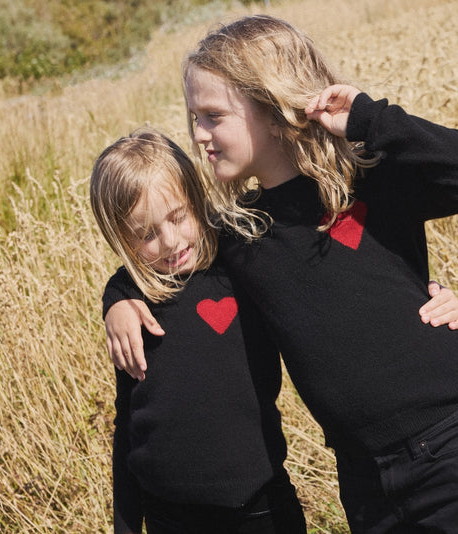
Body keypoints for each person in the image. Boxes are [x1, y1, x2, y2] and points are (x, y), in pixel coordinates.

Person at [105, 15, 458, 533]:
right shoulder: (241, 231)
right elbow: (172, 265)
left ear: (269, 104)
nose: (199, 135)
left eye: (213, 116)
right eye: (194, 117)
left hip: (455, 447)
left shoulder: (363, 180)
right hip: (365, 477)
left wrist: (368, 119)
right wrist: (119, 298)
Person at [89, 127, 308, 534]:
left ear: (196, 199)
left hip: (261, 507)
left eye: (178, 217)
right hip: (169, 517)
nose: (171, 242)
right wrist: (125, 524)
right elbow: (128, 422)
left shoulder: (244, 261)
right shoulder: (135, 309)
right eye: (147, 234)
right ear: (121, 239)